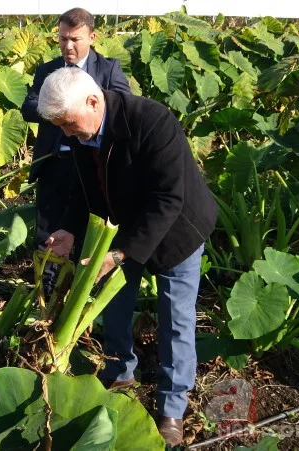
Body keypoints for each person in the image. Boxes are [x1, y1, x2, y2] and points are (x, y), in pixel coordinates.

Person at [37, 68, 218, 447]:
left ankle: (172, 407)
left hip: (177, 230)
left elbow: (169, 199)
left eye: (69, 125)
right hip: (122, 225)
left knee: (176, 318)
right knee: (114, 302)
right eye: (61, 128)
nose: (68, 134)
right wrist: (71, 228)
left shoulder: (151, 120)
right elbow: (83, 188)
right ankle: (120, 371)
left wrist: (121, 253)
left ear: (93, 101)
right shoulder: (81, 128)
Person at [21, 7, 131, 292]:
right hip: (55, 163)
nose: (68, 46)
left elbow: (122, 105)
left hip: (94, 162)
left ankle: (84, 295)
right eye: (62, 39)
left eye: (75, 39)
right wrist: (64, 111)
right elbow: (29, 107)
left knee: (89, 228)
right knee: (48, 233)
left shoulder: (108, 69)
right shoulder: (48, 70)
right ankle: (46, 293)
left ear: (92, 37)